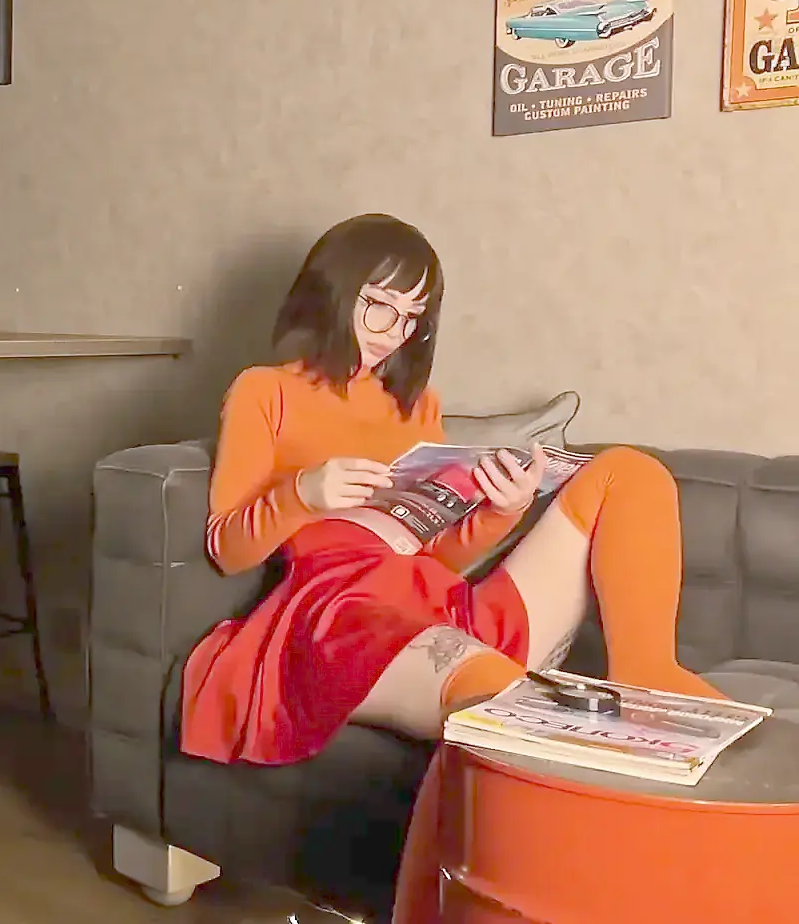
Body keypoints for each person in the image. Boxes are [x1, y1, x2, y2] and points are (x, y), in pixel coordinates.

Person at [177, 214, 725, 924]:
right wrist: (303, 493)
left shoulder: (418, 406)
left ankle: (647, 675)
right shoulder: (264, 391)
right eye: (378, 305)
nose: (392, 332)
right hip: (339, 613)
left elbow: (432, 552)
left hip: (434, 599)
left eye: (412, 317)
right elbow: (226, 547)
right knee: (508, 703)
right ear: (332, 290)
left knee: (629, 472)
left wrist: (499, 511)